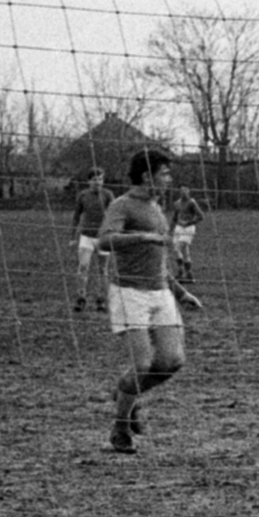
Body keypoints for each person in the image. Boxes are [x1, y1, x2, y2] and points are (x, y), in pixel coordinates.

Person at [97, 148, 202, 453]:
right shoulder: (122, 205)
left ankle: (123, 395)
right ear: (147, 176)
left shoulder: (157, 207)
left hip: (161, 292)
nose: (169, 179)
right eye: (165, 173)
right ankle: (120, 429)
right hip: (129, 292)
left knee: (172, 361)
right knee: (142, 364)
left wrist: (181, 293)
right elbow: (104, 241)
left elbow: (158, 262)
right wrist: (141, 238)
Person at [70, 166, 114, 312]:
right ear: (89, 181)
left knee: (103, 270)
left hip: (103, 238)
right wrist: (72, 236)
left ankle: (101, 300)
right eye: (95, 179)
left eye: (100, 179)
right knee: (83, 267)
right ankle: (81, 298)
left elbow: (115, 215)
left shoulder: (108, 195)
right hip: (86, 237)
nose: (98, 182)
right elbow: (76, 216)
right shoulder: (83, 195)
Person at [167, 185, 206, 284]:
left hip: (188, 228)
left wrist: (189, 223)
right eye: (181, 190)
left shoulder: (191, 203)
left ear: (188, 191)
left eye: (185, 190)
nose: (183, 192)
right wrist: (170, 230)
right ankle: (189, 275)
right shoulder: (177, 203)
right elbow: (175, 218)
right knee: (184, 251)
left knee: (178, 247)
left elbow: (201, 216)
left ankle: (181, 271)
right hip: (178, 228)